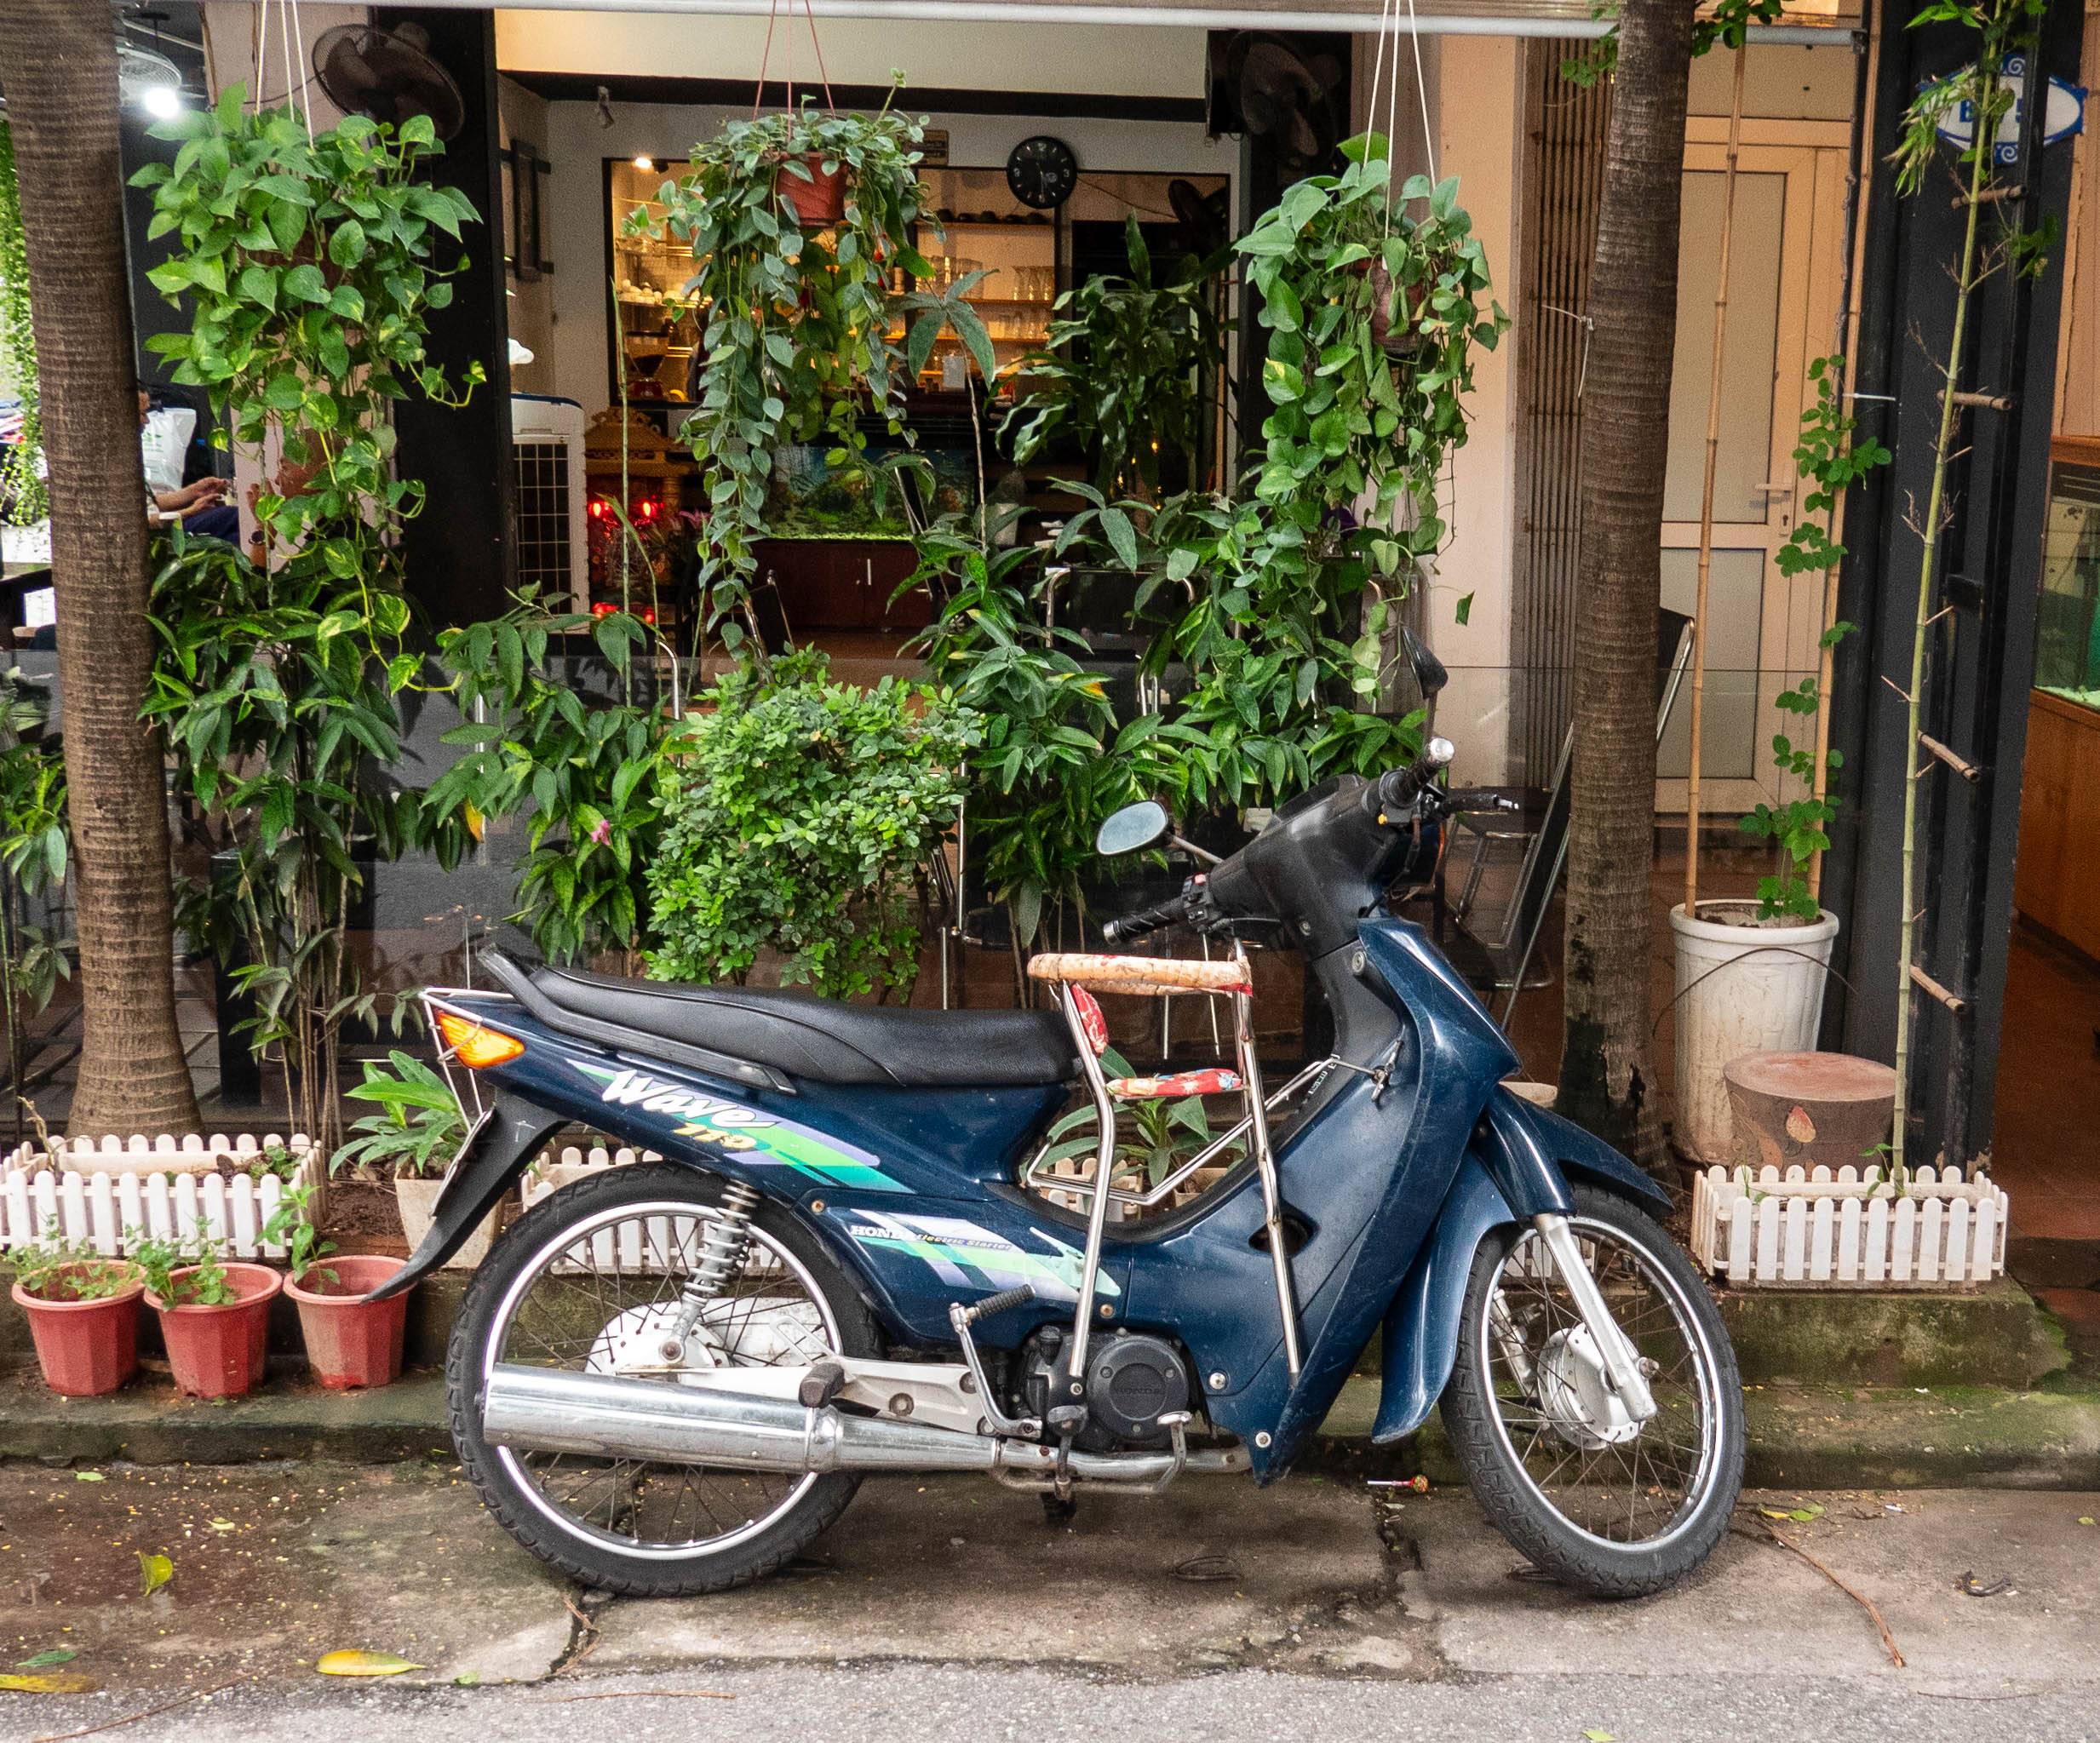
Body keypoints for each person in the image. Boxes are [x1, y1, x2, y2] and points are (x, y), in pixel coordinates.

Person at [139, 390, 238, 540]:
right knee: (233, 516)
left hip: (166, 523)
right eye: (143, 413)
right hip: (155, 537)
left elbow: (148, 504)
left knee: (235, 537)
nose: (147, 421)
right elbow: (143, 521)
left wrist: (195, 491)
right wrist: (190, 511)